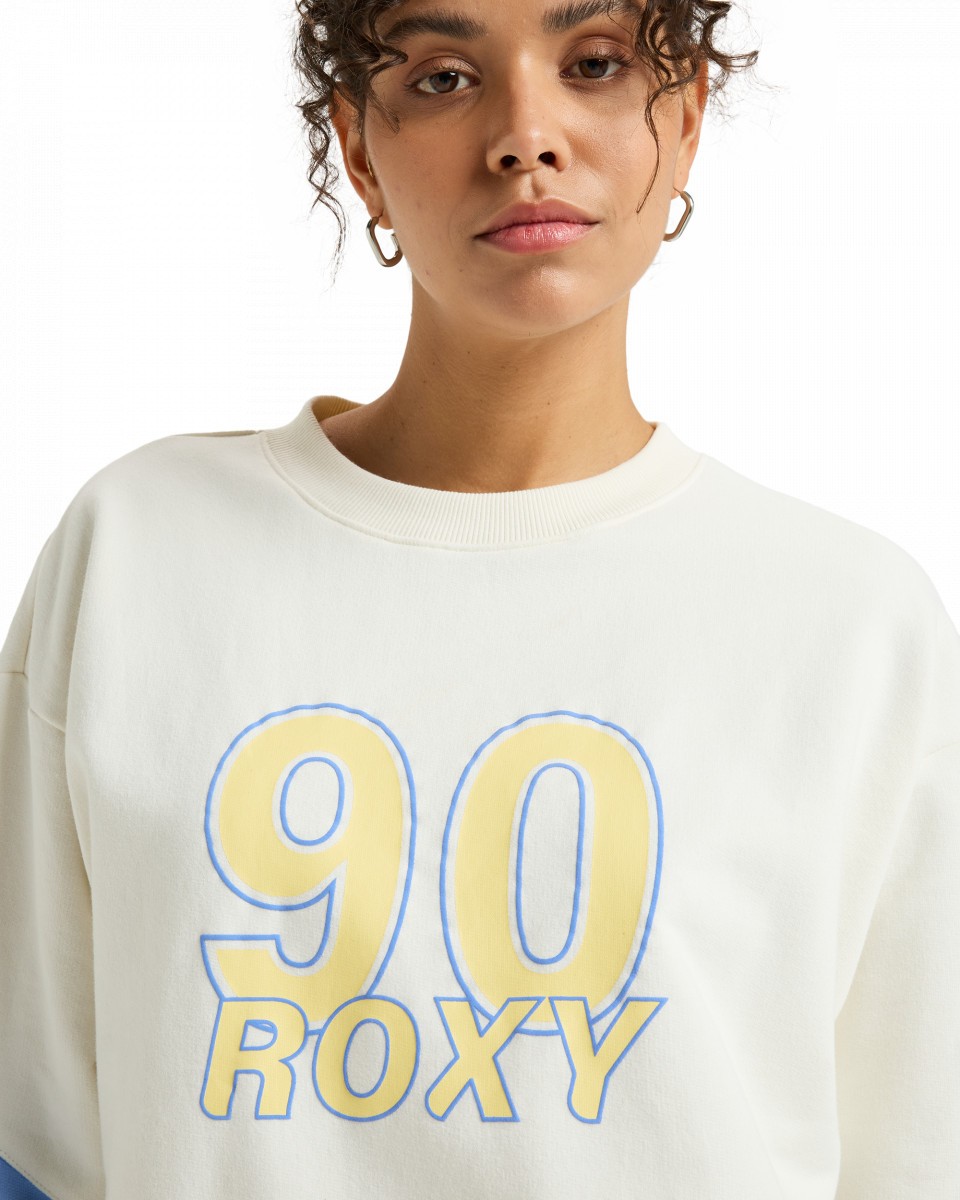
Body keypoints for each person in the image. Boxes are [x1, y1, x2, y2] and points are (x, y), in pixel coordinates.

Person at [1, 0, 957, 1198]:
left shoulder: (851, 624)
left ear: (685, 120)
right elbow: (32, 1130)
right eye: (445, 78)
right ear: (359, 146)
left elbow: (913, 1152)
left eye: (595, 64)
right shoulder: (139, 554)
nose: (525, 135)